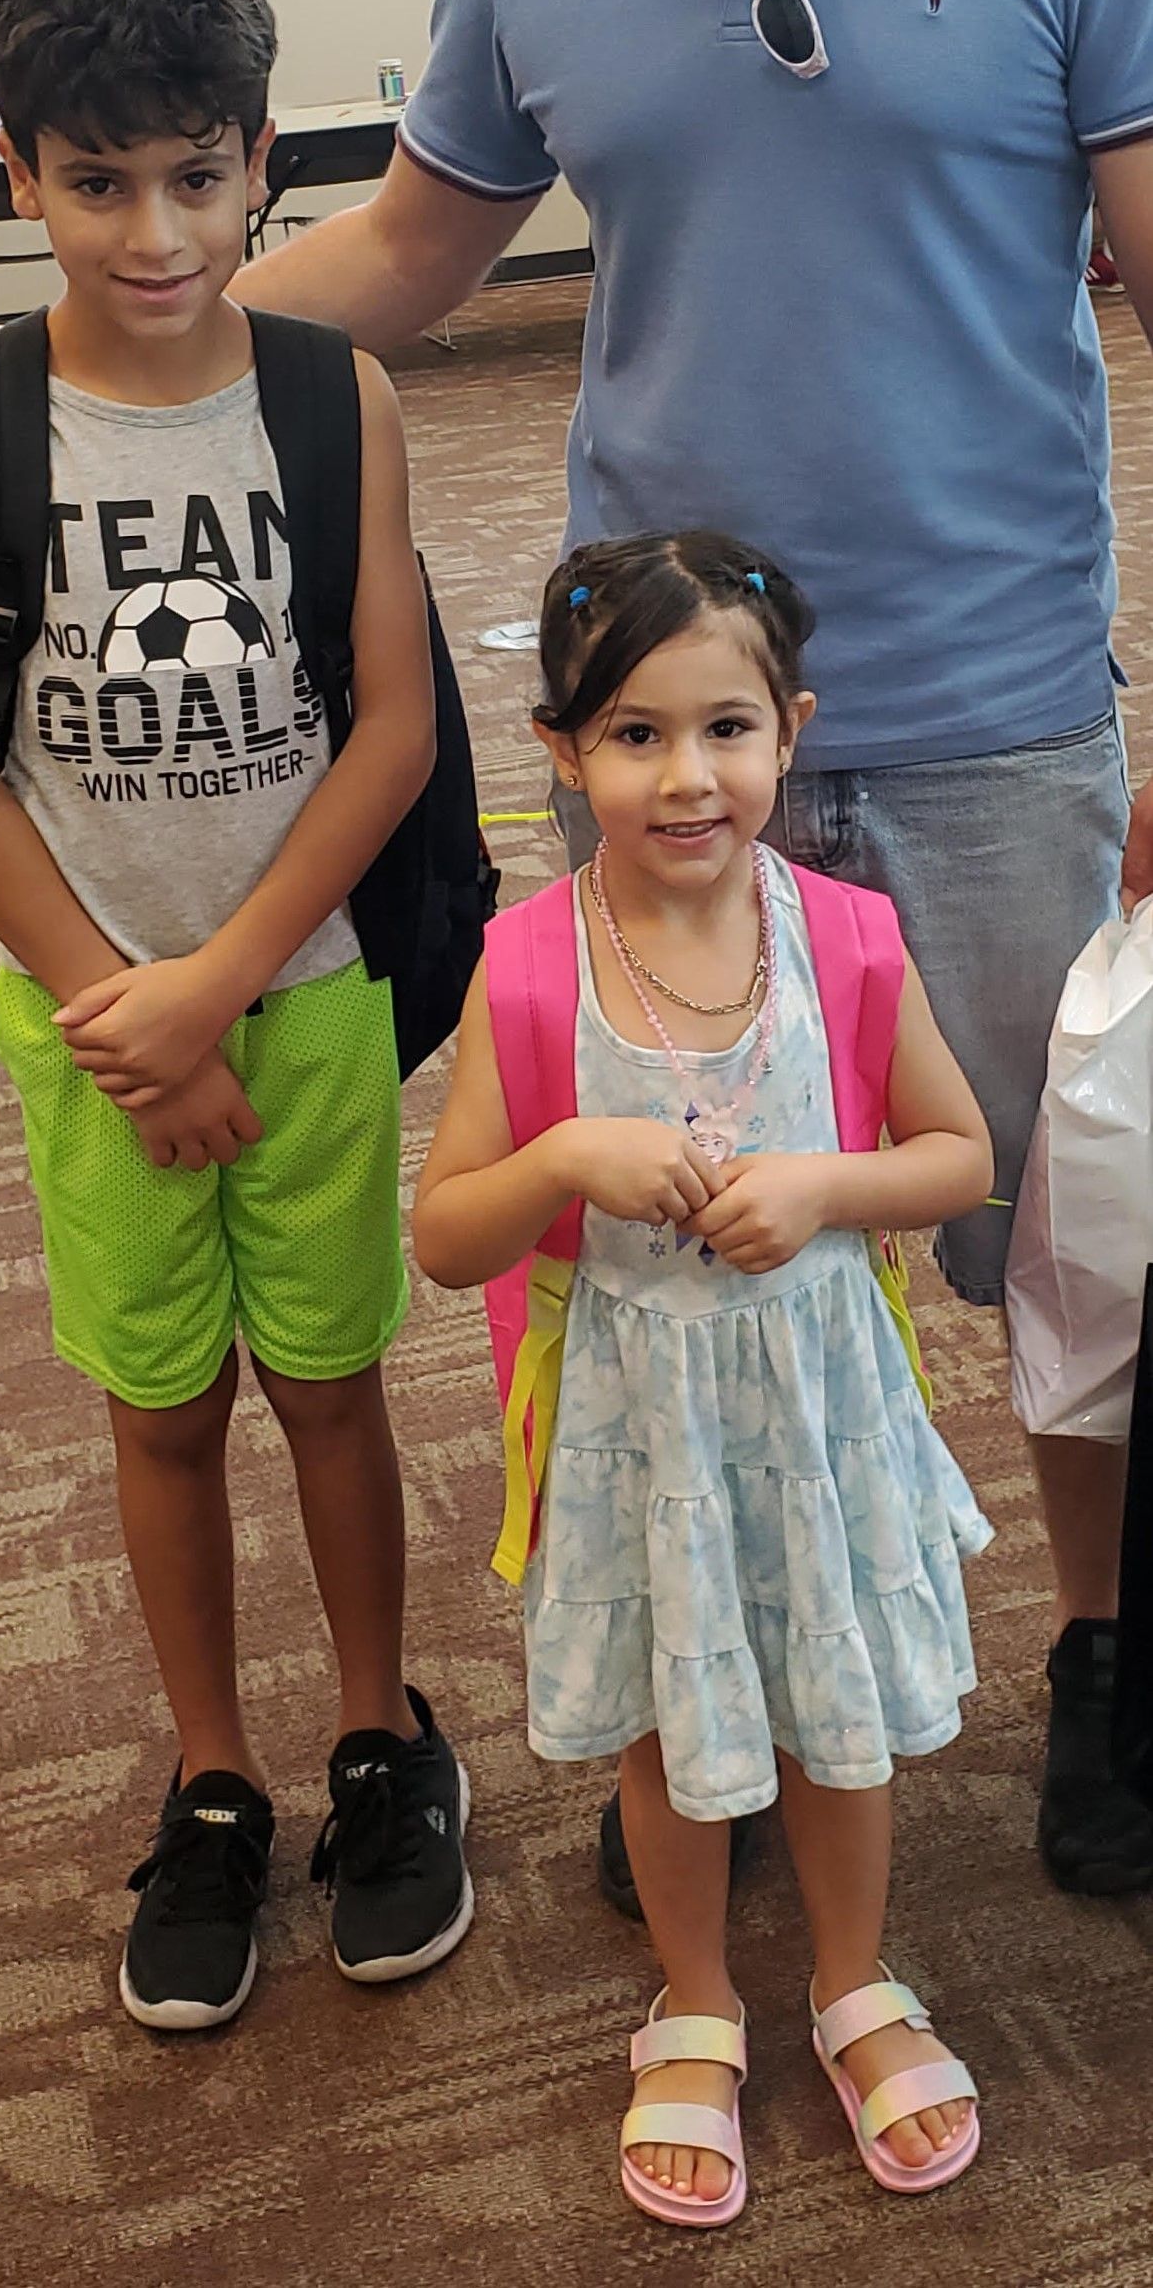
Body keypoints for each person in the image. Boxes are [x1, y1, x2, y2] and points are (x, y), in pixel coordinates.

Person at [237, 0, 1153, 1899]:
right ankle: (737, 1673)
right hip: (661, 750)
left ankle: (1094, 1657)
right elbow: (411, 259)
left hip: (988, 723)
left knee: (1057, 1245)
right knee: (670, 1240)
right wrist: (113, 338)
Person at [0, 0, 471, 2032]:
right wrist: (112, 1009)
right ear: (20, 174)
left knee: (330, 1383)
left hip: (296, 988)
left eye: (201, 173)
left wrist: (222, 978)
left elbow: (391, 724)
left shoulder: (340, 400)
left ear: (260, 168)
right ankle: (212, 1769)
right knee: (163, 1403)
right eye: (99, 176)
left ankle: (370, 1729)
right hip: (91, 1023)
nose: (157, 226)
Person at [414, 532, 992, 2223]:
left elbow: (955, 1153)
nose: (687, 775)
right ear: (562, 750)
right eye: (635, 734)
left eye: (726, 727)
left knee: (837, 1722)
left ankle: (852, 1978)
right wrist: (561, 1159)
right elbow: (445, 1236)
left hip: (819, 1423)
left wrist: (826, 1183)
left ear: (791, 728)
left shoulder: (848, 937)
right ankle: (693, 1995)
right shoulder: (528, 964)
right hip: (634, 1429)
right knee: (666, 1729)